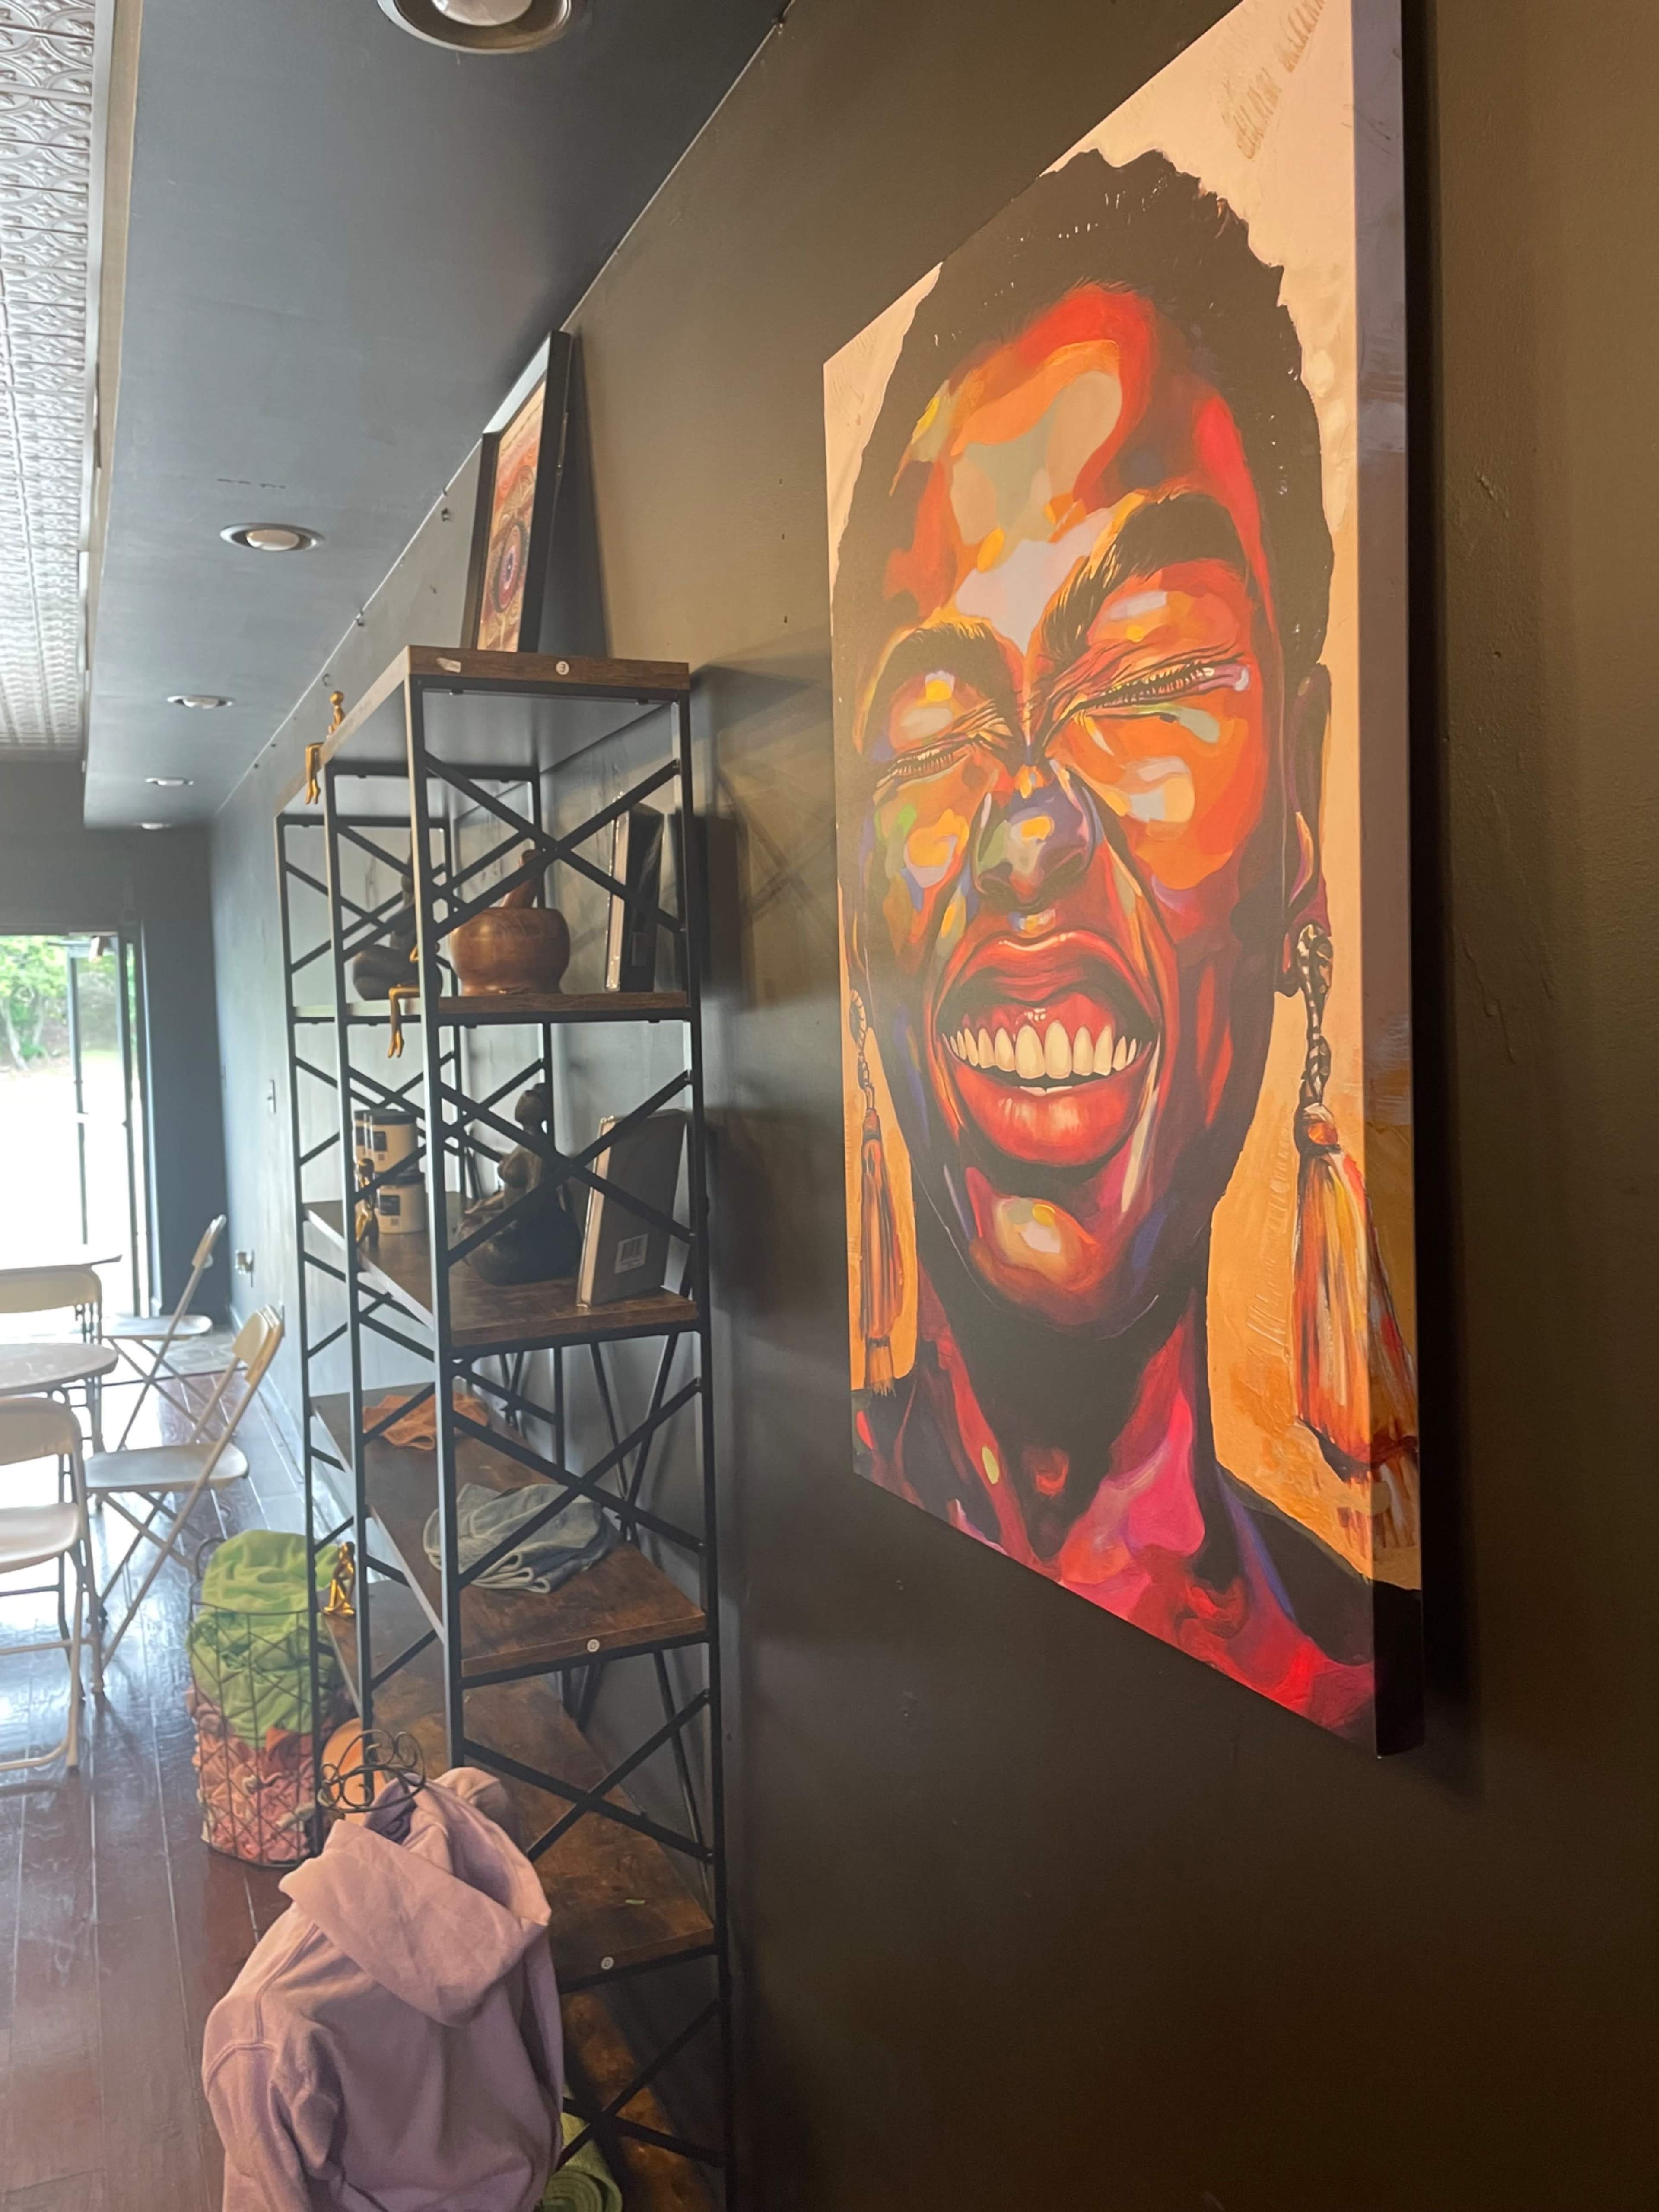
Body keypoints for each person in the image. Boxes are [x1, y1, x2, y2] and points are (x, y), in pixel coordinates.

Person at [832, 149, 1417, 1739]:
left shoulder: (1363, 1669)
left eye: (1152, 681)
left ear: (1301, 814)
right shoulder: (829, 1559)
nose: (1031, 826)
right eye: (938, 724)